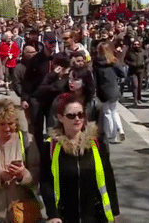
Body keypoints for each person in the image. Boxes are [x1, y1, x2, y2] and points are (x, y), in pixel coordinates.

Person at [40, 93, 120, 223]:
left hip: (96, 216)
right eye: (71, 116)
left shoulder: (96, 143)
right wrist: (52, 214)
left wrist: (114, 210)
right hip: (66, 217)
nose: (77, 119)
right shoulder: (52, 146)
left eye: (81, 114)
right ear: (60, 118)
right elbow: (45, 182)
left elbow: (108, 177)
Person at [21, 32, 57, 154]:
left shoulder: (57, 59)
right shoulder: (35, 60)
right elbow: (27, 80)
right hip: (36, 99)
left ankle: (51, 151)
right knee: (37, 129)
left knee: (52, 129)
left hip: (52, 99)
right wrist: (24, 98)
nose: (53, 46)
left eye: (55, 43)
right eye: (51, 43)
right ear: (45, 43)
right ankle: (39, 152)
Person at [94, 42, 126, 145]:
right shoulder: (113, 61)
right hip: (113, 88)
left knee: (107, 112)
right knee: (115, 111)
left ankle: (111, 134)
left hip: (103, 89)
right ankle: (120, 129)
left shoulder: (97, 62)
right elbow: (122, 73)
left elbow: (95, 79)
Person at [124, 38, 149, 106]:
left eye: (137, 44)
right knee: (135, 85)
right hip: (133, 71)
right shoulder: (129, 52)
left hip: (141, 71)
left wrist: (144, 63)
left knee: (140, 85)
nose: (136, 45)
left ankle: (139, 98)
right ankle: (135, 99)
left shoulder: (143, 51)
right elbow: (125, 60)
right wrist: (130, 63)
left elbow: (147, 58)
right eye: (135, 44)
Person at [0, 31, 20, 95]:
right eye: (7, 37)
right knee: (6, 76)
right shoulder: (2, 45)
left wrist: (12, 55)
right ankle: (7, 87)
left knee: (13, 75)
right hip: (5, 62)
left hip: (13, 62)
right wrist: (6, 54)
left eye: (10, 37)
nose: (9, 38)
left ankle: (13, 86)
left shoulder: (14, 44)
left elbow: (17, 52)